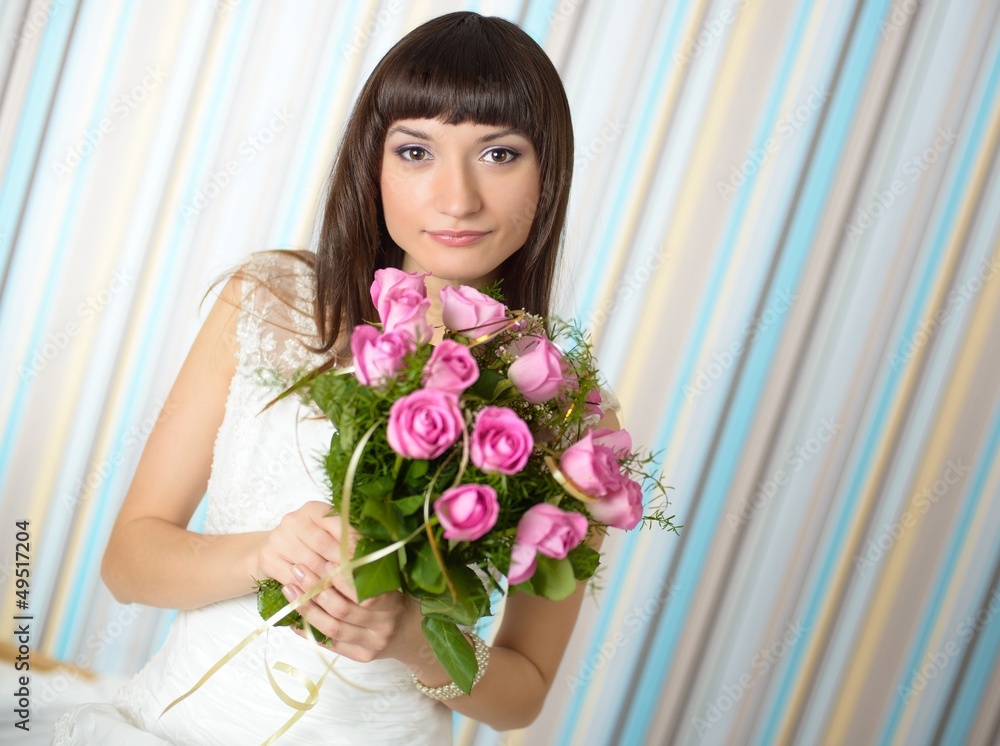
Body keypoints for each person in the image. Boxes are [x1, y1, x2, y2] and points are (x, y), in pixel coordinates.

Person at [52, 10, 618, 745]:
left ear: (550, 174)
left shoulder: (567, 413)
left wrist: (414, 638)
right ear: (374, 164)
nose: (457, 197)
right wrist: (263, 556)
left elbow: (523, 694)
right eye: (416, 151)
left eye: (500, 155)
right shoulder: (269, 301)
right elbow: (129, 563)